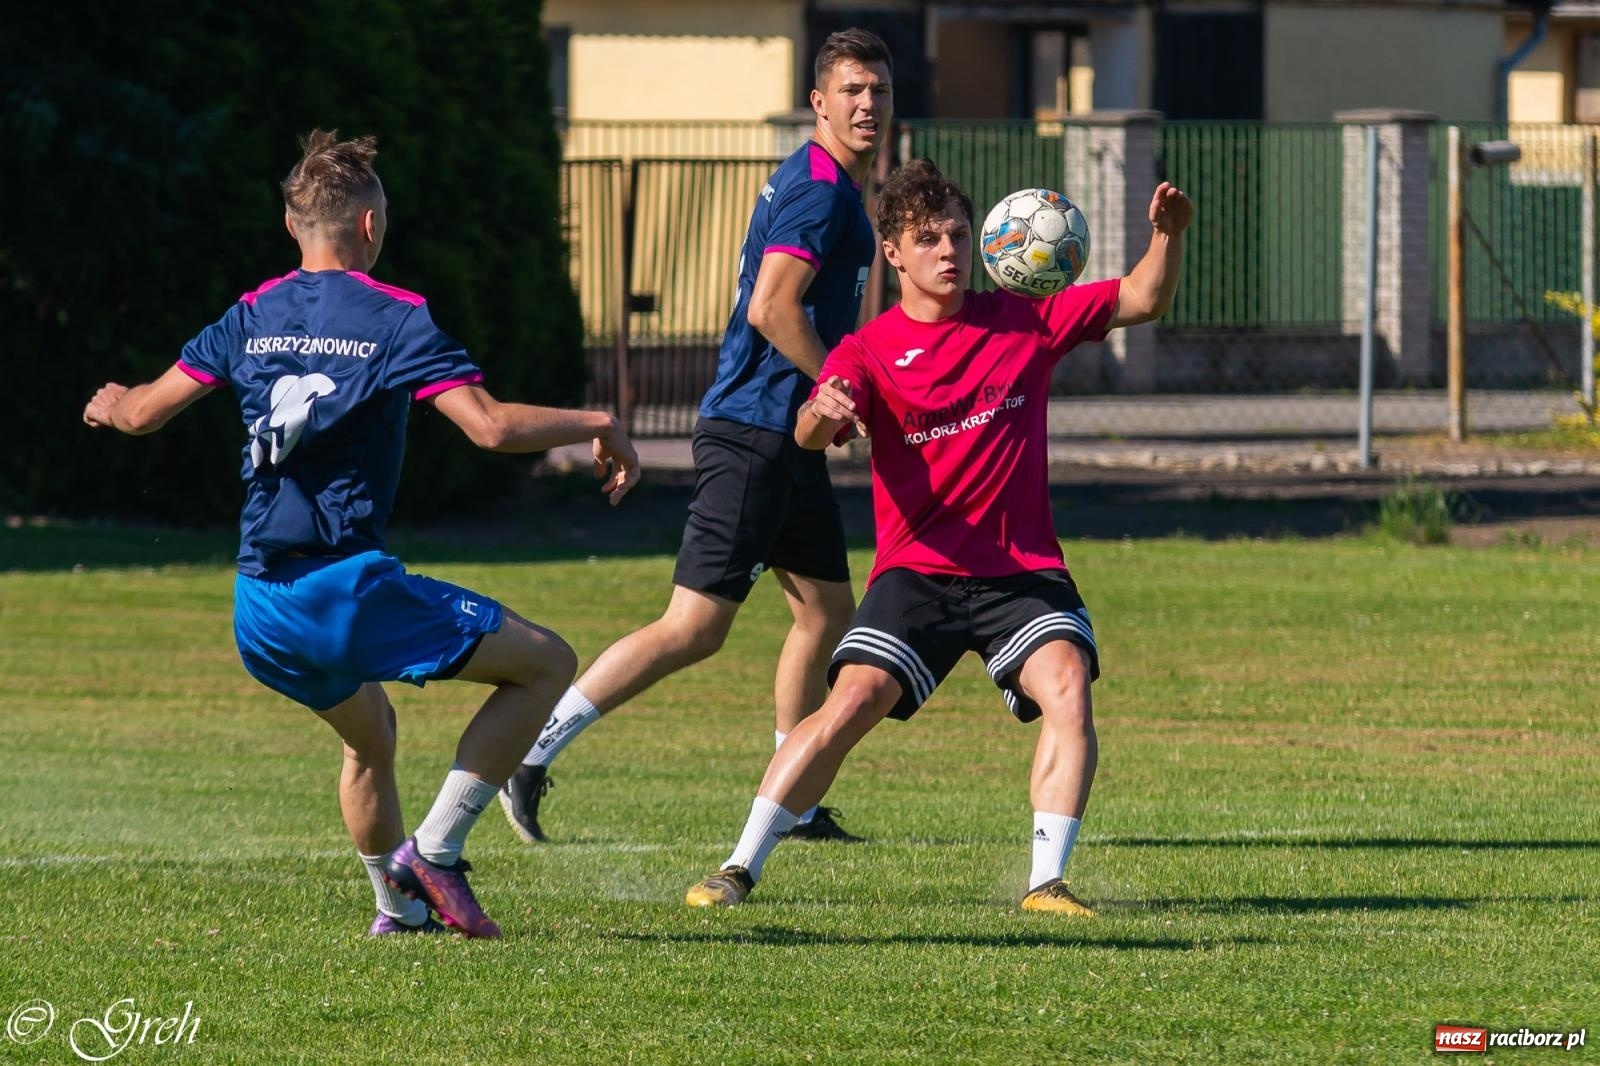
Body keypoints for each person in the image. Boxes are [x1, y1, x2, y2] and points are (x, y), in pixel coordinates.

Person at [81, 129, 641, 938]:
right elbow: (486, 428)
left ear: (290, 227)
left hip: (258, 609)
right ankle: (437, 855)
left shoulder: (250, 313)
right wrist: (598, 419)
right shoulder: (395, 317)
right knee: (546, 663)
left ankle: (397, 911)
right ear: (371, 228)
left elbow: (140, 412)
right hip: (341, 590)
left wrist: (109, 403)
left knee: (370, 737)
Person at [683, 159, 1193, 913]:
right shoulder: (869, 349)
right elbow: (810, 429)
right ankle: (737, 866)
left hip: (1020, 573)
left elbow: (1144, 297)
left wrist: (1167, 237)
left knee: (1067, 685)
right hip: (917, 573)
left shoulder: (1025, 318)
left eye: (958, 232)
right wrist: (825, 409)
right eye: (929, 239)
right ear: (892, 253)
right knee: (852, 699)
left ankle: (1046, 883)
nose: (949, 250)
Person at [499, 28, 894, 844]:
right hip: (755, 432)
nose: (867, 104)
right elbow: (772, 308)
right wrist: (840, 385)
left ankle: (793, 801)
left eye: (879, 91)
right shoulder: (821, 192)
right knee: (694, 628)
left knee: (826, 615)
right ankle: (529, 754)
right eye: (851, 90)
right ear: (818, 102)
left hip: (789, 439)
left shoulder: (823, 182)